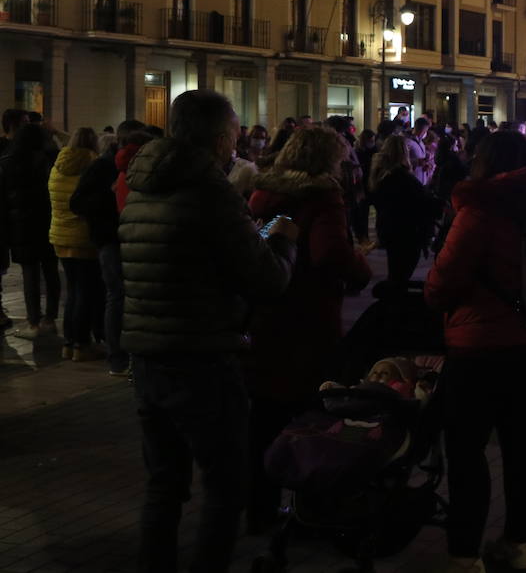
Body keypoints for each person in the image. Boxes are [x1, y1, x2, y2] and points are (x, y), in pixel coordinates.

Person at [119, 89, 297, 573]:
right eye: (236, 135)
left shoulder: (141, 186)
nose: (237, 144)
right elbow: (266, 279)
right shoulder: (210, 191)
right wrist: (281, 240)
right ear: (220, 138)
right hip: (200, 357)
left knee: (164, 483)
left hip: (146, 353)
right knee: (225, 486)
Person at [425, 131, 526, 573]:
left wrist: (432, 291)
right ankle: (518, 544)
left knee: (466, 449)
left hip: (481, 344)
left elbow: (443, 283)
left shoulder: (479, 210)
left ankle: (465, 554)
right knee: (521, 441)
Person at [245, 125, 371, 529]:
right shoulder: (321, 197)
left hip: (265, 314)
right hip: (307, 318)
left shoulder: (264, 193)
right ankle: (309, 509)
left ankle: (259, 508)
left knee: (263, 417)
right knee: (310, 416)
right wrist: (360, 266)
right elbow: (330, 253)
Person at [69, 119, 146, 375]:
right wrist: (109, 195)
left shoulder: (140, 166)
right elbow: (78, 203)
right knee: (117, 295)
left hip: (131, 239)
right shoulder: (101, 167)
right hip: (110, 240)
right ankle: (118, 357)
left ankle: (127, 354)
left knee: (125, 296)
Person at [1, 123, 61, 339]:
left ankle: (33, 322)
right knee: (51, 270)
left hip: (21, 225)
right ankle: (50, 319)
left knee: (30, 273)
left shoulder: (9, 163)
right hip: (49, 220)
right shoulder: (51, 159)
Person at [49, 127, 104, 361]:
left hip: (60, 235)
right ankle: (82, 344)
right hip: (83, 237)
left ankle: (68, 343)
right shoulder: (92, 166)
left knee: (72, 291)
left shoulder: (57, 166)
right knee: (85, 291)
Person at [370, 134, 437, 287]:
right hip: (406, 229)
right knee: (402, 271)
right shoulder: (400, 176)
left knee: (395, 268)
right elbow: (420, 200)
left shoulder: (381, 173)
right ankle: (394, 303)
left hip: (389, 226)